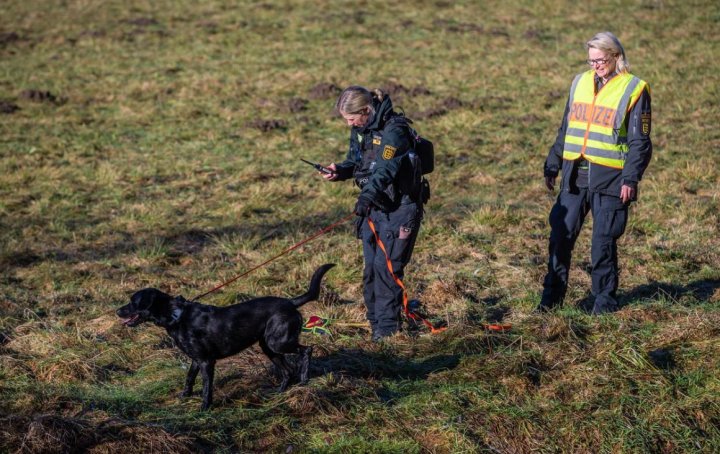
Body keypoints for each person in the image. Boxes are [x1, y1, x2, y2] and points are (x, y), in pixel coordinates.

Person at [538, 31, 653, 315]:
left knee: (602, 243)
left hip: (611, 178)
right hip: (574, 175)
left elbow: (641, 141)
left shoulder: (635, 88)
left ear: (616, 57)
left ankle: (604, 304)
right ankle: (550, 302)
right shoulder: (579, 82)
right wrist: (553, 161)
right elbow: (567, 126)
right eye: (591, 61)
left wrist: (631, 178)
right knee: (560, 238)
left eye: (600, 60)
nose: (595, 66)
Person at [320, 86, 426, 341]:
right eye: (346, 120)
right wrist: (340, 171)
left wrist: (366, 196)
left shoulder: (395, 132)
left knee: (386, 270)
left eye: (351, 118)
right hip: (374, 208)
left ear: (366, 110)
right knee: (370, 270)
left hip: (400, 208)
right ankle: (375, 324)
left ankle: (388, 333)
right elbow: (357, 163)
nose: (349, 124)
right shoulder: (361, 131)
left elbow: (386, 169)